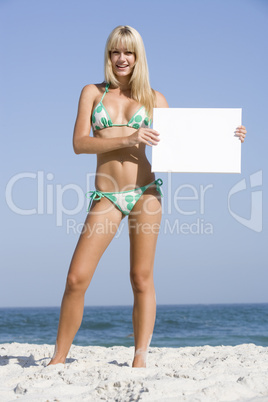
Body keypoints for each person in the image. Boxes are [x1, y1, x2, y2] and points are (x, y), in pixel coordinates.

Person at [48, 25, 247, 368]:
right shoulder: (92, 93)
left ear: (139, 57)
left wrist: (230, 138)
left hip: (145, 193)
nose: (121, 59)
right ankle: (58, 358)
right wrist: (126, 139)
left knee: (141, 277)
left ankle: (140, 359)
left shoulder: (155, 100)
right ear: (108, 55)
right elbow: (79, 143)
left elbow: (184, 144)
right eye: (115, 52)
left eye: (129, 52)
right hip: (108, 196)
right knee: (76, 278)